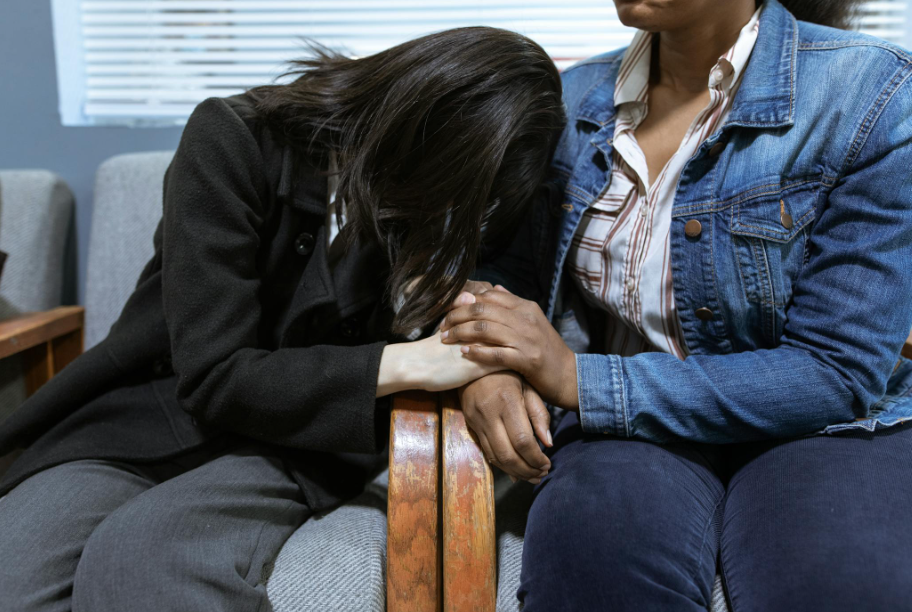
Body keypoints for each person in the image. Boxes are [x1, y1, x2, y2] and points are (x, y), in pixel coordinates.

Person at [0, 27, 565, 612]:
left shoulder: (444, 204)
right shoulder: (232, 137)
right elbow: (214, 374)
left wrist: (482, 360)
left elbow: (474, 306)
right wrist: (415, 360)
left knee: (143, 563)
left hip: (295, 442)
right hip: (152, 418)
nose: (443, 214)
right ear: (418, 118)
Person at [444, 1, 912, 610]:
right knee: (592, 576)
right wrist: (490, 365)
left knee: (838, 588)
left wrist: (578, 380)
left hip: (824, 425)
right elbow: (503, 269)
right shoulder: (569, 98)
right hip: (630, 431)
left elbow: (834, 371)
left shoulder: (872, 91)